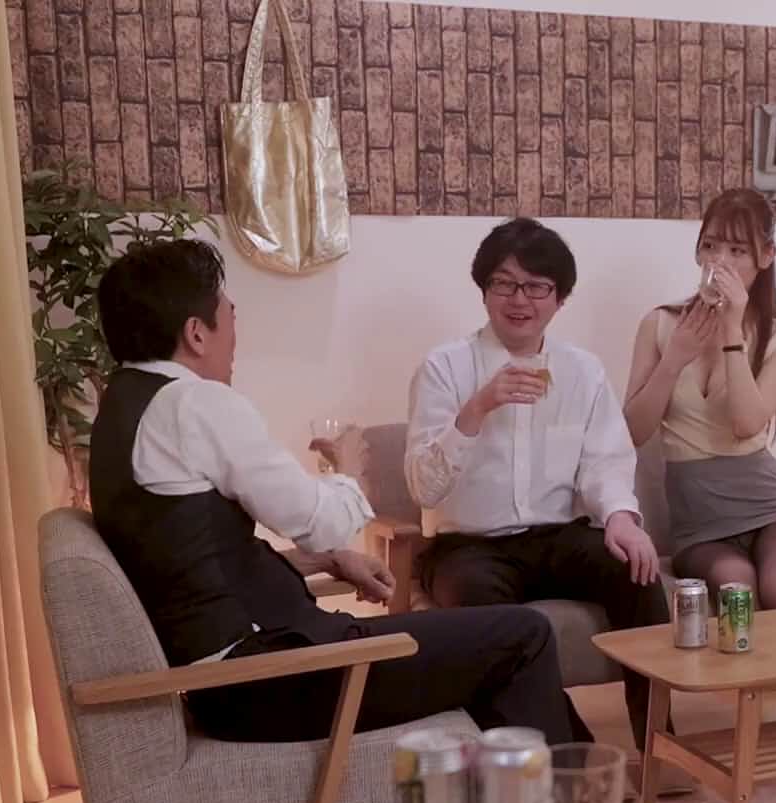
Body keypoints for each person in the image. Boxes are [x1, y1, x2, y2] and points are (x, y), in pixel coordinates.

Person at [88, 237, 585, 746]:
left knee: (489, 649)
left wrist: (327, 561)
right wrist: (348, 466)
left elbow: (194, 557)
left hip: (237, 681)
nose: (235, 334)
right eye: (230, 314)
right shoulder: (195, 405)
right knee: (524, 636)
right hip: (269, 679)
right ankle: (570, 785)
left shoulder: (123, 408)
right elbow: (324, 522)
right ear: (197, 333)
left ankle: (561, 776)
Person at [404, 217, 673, 762]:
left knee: (635, 569)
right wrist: (477, 408)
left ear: (560, 298)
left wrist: (621, 516)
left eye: (536, 286)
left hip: (555, 536)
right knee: (483, 613)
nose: (519, 299)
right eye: (504, 283)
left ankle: (661, 747)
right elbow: (423, 487)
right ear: (483, 290)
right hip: (468, 547)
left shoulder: (582, 372)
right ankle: (573, 757)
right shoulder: (445, 367)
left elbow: (606, 461)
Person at [622, 187, 776, 725]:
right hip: (701, 522)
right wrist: (674, 360)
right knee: (736, 583)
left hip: (769, 504)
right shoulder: (660, 324)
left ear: (767, 257)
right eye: (711, 246)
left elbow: (745, 423)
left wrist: (732, 330)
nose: (721, 262)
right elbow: (635, 429)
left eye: (738, 250)